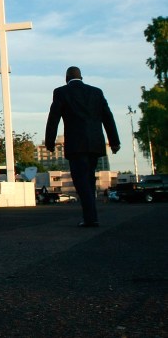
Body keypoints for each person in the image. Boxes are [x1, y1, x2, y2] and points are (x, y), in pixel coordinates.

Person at [45, 66, 120, 227]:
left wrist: (49, 142)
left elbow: (53, 118)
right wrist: (114, 141)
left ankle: (90, 217)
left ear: (66, 78)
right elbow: (108, 117)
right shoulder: (96, 92)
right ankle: (91, 215)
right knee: (89, 178)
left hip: (76, 144)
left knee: (81, 181)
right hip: (95, 143)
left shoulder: (61, 92)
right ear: (81, 77)